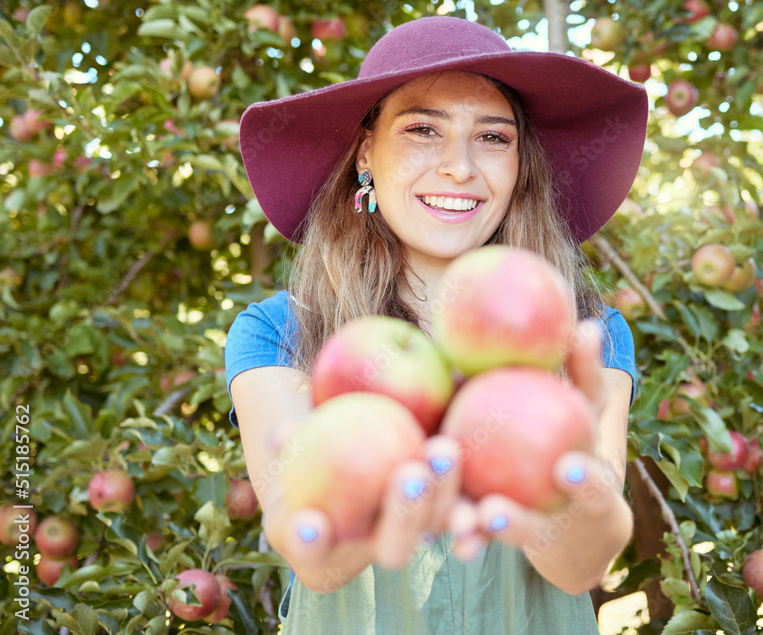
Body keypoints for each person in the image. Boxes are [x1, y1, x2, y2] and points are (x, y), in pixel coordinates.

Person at [224, 16, 648, 634]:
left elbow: (581, 565)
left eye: (494, 138)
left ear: (520, 164)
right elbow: (317, 560)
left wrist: (573, 487)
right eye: (423, 129)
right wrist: (339, 512)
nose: (459, 167)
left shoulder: (583, 331)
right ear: (367, 151)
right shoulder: (279, 331)